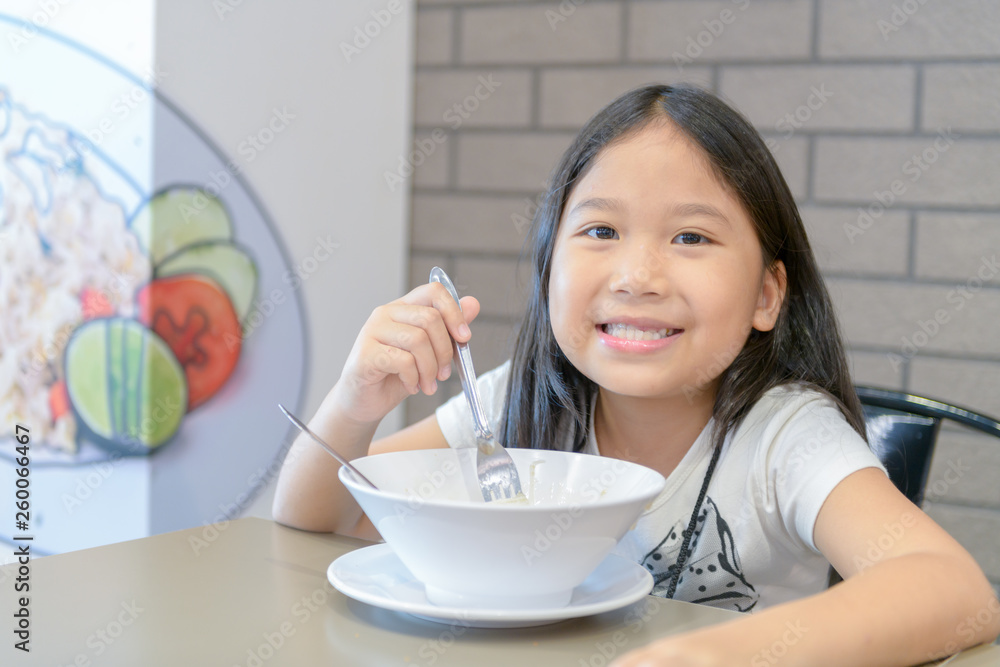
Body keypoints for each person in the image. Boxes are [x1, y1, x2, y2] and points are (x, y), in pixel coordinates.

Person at [273, 84, 1000, 665]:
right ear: (548, 264)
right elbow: (319, 520)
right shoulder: (513, 405)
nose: (637, 275)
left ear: (766, 295)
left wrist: (718, 654)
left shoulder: (784, 436)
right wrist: (354, 401)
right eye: (600, 231)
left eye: (691, 236)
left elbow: (954, 589)